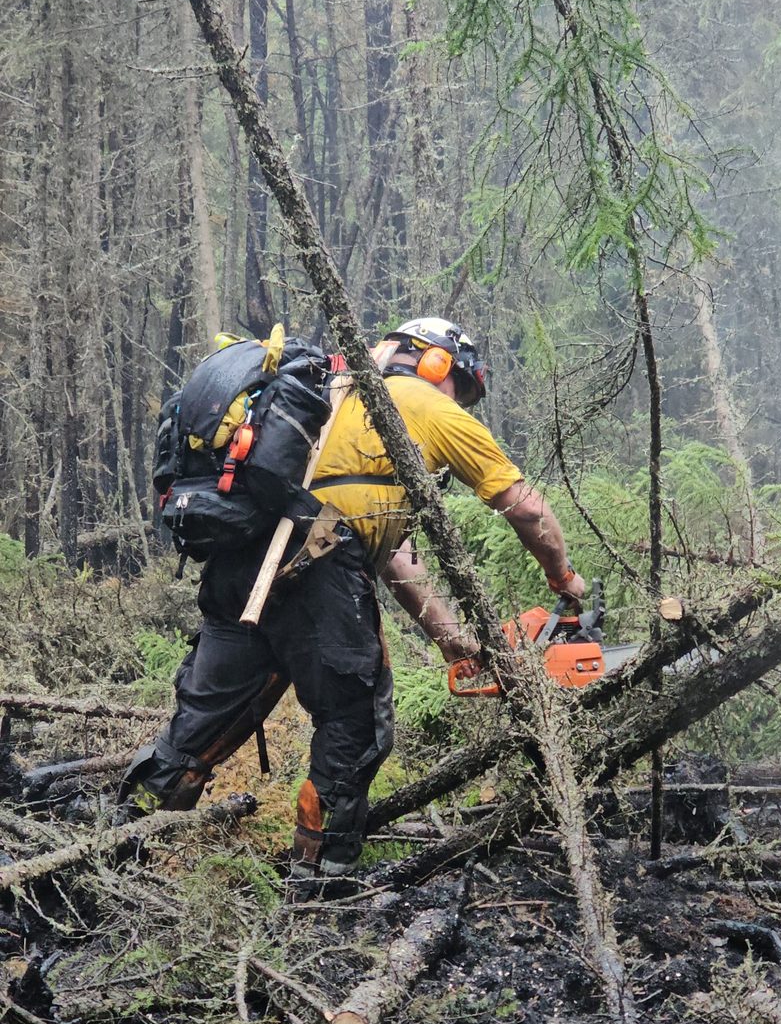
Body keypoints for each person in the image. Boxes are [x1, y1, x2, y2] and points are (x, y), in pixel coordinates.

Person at [119, 317, 585, 882]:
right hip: (314, 572)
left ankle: (121, 851)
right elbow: (527, 509)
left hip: (239, 567)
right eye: (461, 388)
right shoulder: (421, 402)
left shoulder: (327, 397)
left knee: (198, 727)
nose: (460, 401)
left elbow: (393, 554)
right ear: (439, 365)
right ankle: (321, 885)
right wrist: (565, 583)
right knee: (353, 722)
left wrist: (453, 642)